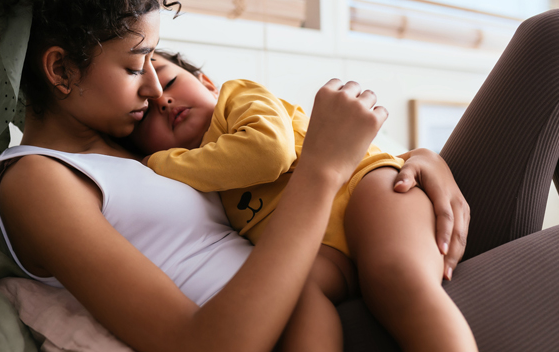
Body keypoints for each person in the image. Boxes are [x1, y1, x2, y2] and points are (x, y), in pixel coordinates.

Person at [0, 0, 559, 351]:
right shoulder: (39, 182)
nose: (152, 86)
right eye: (134, 64)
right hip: (347, 324)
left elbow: (269, 164)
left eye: (157, 63)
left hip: (373, 244)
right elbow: (205, 345)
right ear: (60, 72)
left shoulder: (133, 135)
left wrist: (411, 163)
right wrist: (324, 169)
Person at [127, 50, 477, 351]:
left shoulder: (236, 98)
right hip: (316, 248)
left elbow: (268, 153)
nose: (164, 101)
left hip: (364, 188)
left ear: (206, 82)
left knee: (396, 276)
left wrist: (156, 162)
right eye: (145, 114)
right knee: (298, 302)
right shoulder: (188, 182)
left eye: (169, 82)